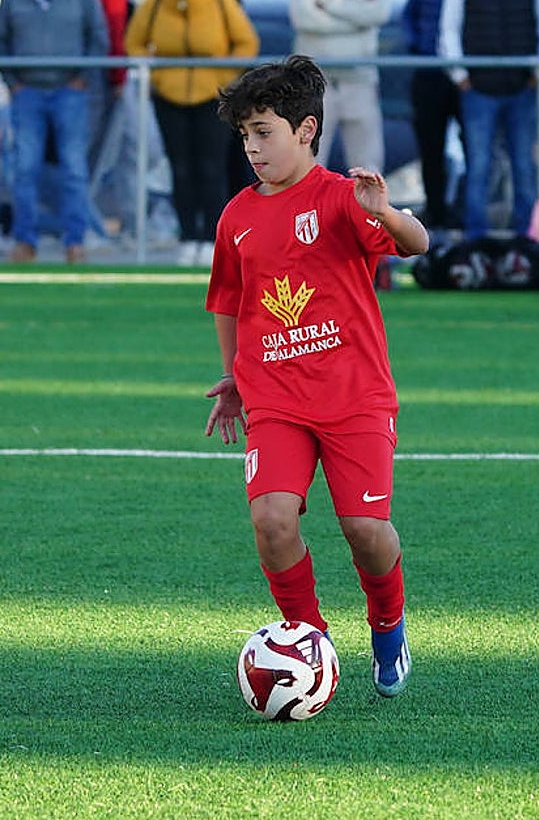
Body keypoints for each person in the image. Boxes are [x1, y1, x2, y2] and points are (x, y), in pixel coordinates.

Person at [203, 55, 428, 698]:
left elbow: (419, 245)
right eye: (245, 135)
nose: (252, 147)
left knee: (365, 531)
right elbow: (227, 301)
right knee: (272, 521)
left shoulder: (344, 198)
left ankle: (387, 623)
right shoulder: (237, 217)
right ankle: (309, 640)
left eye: (263, 132)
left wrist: (385, 212)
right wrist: (234, 377)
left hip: (355, 397)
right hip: (276, 401)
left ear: (305, 130)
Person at [125, 0, 259, 268]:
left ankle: (213, 238)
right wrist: (157, 77)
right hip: (169, 97)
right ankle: (188, 237)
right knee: (180, 169)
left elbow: (246, 42)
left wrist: (224, 78)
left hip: (212, 98)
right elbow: (134, 42)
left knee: (212, 168)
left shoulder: (220, 0)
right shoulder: (155, 3)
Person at [0, 0, 108, 264]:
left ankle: (75, 242)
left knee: (74, 169)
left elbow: (98, 36)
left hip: (69, 91)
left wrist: (82, 78)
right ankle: (24, 240)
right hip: (27, 92)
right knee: (24, 169)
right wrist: (12, 82)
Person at [438, 0, 539, 240]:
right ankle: (475, 243)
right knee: (478, 167)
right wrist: (459, 74)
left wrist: (538, 71)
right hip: (478, 89)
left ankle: (528, 243)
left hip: (521, 88)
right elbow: (449, 26)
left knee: (524, 167)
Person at [289, 0, 391, 178]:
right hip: (314, 83)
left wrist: (328, 6)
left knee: (367, 164)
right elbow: (302, 18)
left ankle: (368, 210)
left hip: (360, 78)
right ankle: (307, 209)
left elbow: (380, 12)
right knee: (308, 162)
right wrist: (358, 18)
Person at [403, 0, 462, 232]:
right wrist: (421, 51)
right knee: (430, 148)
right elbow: (410, 19)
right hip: (429, 72)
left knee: (475, 148)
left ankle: (462, 210)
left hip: (465, 73)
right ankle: (436, 212)